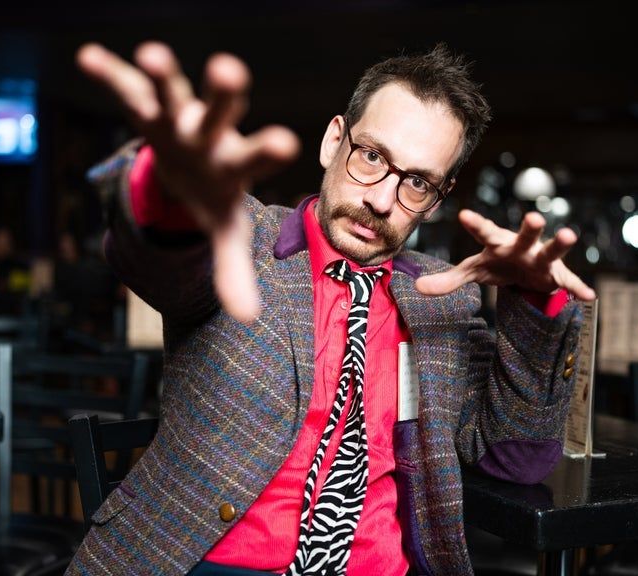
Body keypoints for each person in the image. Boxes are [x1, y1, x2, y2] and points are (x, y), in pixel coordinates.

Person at [68, 40, 595, 576]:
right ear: (333, 141)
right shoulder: (242, 238)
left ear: (438, 199)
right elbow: (156, 263)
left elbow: (514, 459)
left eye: (417, 182)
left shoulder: (443, 295)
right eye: (372, 156)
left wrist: (534, 304)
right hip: (205, 562)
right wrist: (168, 191)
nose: (381, 200)